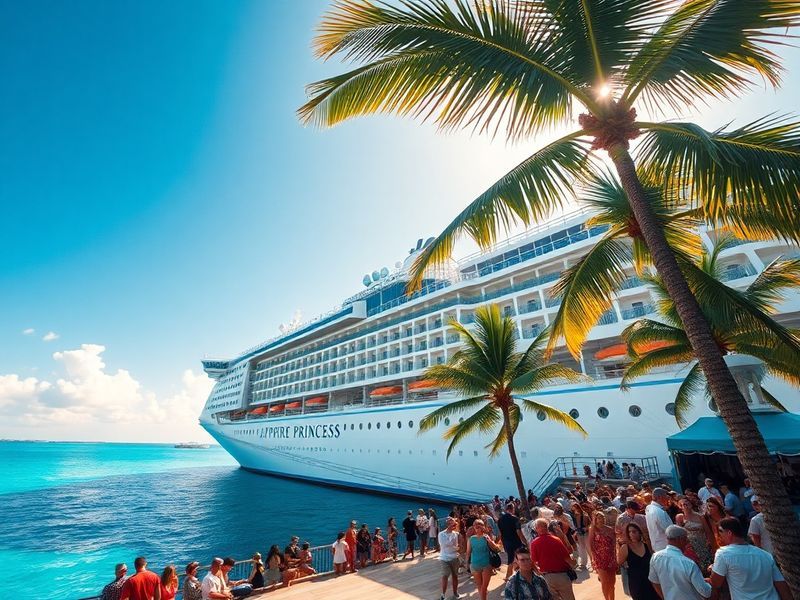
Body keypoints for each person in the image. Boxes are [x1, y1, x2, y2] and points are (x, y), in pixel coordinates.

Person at [710, 517, 792, 600]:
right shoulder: (765, 555)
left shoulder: (723, 554)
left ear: (729, 533)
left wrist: (713, 569)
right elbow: (782, 586)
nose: (719, 536)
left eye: (720, 531)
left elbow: (716, 583)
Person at [648, 526, 711, 600]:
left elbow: (654, 581)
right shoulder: (688, 563)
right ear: (680, 540)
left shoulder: (655, 557)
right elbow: (706, 592)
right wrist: (709, 583)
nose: (687, 542)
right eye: (686, 539)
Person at [530, 518, 576, 600]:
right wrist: (573, 562)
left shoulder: (534, 543)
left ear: (536, 529)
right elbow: (567, 558)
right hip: (561, 575)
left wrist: (538, 572)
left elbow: (532, 562)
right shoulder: (556, 540)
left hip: (547, 578)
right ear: (547, 527)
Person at [617, 523, 658, 600]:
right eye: (629, 532)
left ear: (640, 532)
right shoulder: (625, 548)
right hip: (636, 584)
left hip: (651, 582)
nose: (631, 534)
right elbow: (619, 563)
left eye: (634, 531)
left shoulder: (647, 545)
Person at [676, 496, 716, 571]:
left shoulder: (700, 516)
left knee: (706, 566)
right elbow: (679, 534)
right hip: (689, 546)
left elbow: (708, 532)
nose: (686, 505)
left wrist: (714, 547)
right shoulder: (680, 517)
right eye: (683, 504)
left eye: (687, 502)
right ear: (680, 507)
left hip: (702, 545)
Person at [466, 519, 500, 600]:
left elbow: (496, 549)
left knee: (484, 587)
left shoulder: (487, 537)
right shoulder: (471, 539)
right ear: (473, 527)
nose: (477, 526)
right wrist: (467, 564)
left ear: (483, 527)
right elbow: (468, 553)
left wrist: (489, 541)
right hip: (475, 565)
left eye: (479, 524)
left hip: (486, 565)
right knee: (480, 586)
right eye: (475, 525)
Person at [589, 511, 617, 600]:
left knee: (612, 582)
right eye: (599, 517)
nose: (601, 519)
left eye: (603, 517)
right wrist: (593, 559)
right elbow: (591, 545)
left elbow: (614, 544)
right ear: (595, 519)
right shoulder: (593, 529)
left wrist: (615, 557)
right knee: (604, 582)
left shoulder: (610, 529)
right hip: (599, 558)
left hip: (610, 557)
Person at [498, 502, 527, 581]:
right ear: (512, 509)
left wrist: (501, 542)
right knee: (518, 558)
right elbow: (519, 532)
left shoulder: (500, 520)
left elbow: (500, 533)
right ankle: (512, 576)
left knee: (511, 558)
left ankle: (511, 574)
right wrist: (525, 542)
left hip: (506, 541)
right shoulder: (515, 519)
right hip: (515, 541)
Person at [438, 516, 461, 600]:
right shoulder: (441, 534)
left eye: (454, 524)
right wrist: (454, 546)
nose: (454, 526)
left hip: (454, 557)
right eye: (452, 524)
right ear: (448, 525)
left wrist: (454, 547)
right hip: (444, 558)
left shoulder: (456, 534)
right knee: (445, 575)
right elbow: (444, 544)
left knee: (455, 576)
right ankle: (443, 594)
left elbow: (457, 546)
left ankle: (455, 592)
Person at [570, 503, 590, 570]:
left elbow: (590, 524)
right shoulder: (573, 516)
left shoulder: (584, 515)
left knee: (588, 548)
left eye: (575, 507)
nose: (574, 509)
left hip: (585, 533)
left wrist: (586, 528)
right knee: (581, 549)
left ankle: (592, 563)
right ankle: (583, 563)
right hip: (579, 534)